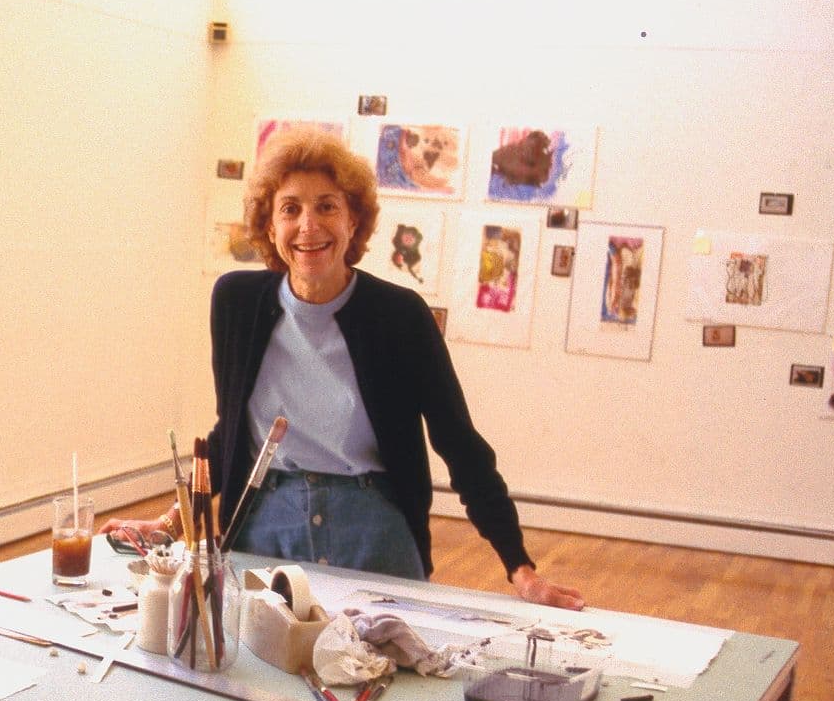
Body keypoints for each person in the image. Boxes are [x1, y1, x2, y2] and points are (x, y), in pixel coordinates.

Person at [103, 128, 582, 610]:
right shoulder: (236, 303)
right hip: (263, 530)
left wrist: (520, 569)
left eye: (327, 206)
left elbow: (459, 445)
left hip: (374, 533)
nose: (308, 226)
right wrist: (169, 522)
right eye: (290, 209)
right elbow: (235, 433)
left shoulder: (401, 316)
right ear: (270, 227)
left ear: (354, 221)